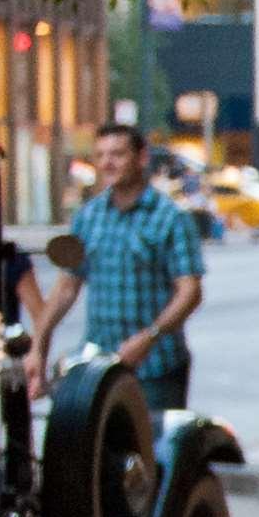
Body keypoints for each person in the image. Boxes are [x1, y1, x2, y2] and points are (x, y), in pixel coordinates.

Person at [36, 121, 207, 411]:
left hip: (156, 369)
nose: (107, 163)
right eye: (100, 155)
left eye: (117, 154)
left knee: (155, 451)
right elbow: (67, 286)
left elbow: (189, 292)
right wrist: (38, 346)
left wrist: (149, 337)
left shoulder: (171, 218)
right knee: (95, 450)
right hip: (99, 367)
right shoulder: (88, 217)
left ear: (141, 158)